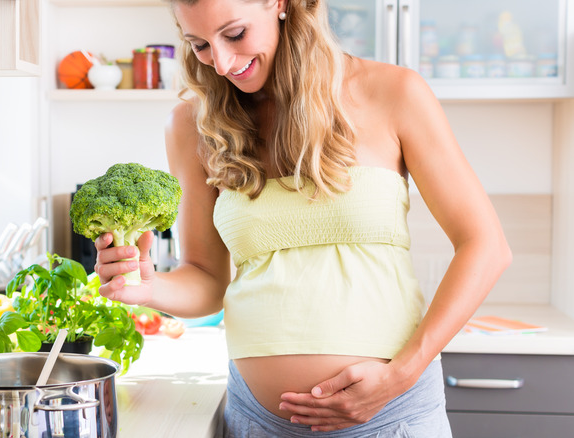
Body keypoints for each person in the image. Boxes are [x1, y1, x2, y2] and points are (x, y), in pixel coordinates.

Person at [93, 0, 512, 436]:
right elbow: (205, 279)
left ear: (279, 4)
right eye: (198, 44)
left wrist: (401, 374)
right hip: (258, 422)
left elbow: (485, 245)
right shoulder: (192, 125)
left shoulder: (394, 92)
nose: (220, 62)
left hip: (391, 416)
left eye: (235, 34)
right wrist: (149, 285)